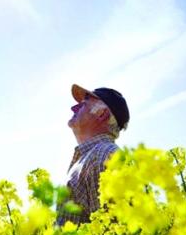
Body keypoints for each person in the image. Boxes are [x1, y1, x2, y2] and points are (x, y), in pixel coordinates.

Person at [55, 84, 130, 226]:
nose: (74, 108)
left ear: (102, 114)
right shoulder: (92, 156)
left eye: (83, 104)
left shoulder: (105, 156)